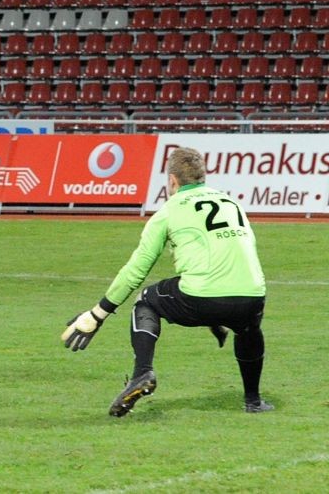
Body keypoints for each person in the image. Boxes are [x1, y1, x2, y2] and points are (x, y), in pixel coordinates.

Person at [62, 147, 272, 416]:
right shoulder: (231, 203)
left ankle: (142, 373)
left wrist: (97, 314)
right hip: (252, 293)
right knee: (248, 328)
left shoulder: (168, 211)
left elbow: (137, 269)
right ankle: (253, 402)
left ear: (172, 181)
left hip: (201, 296)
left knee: (146, 300)